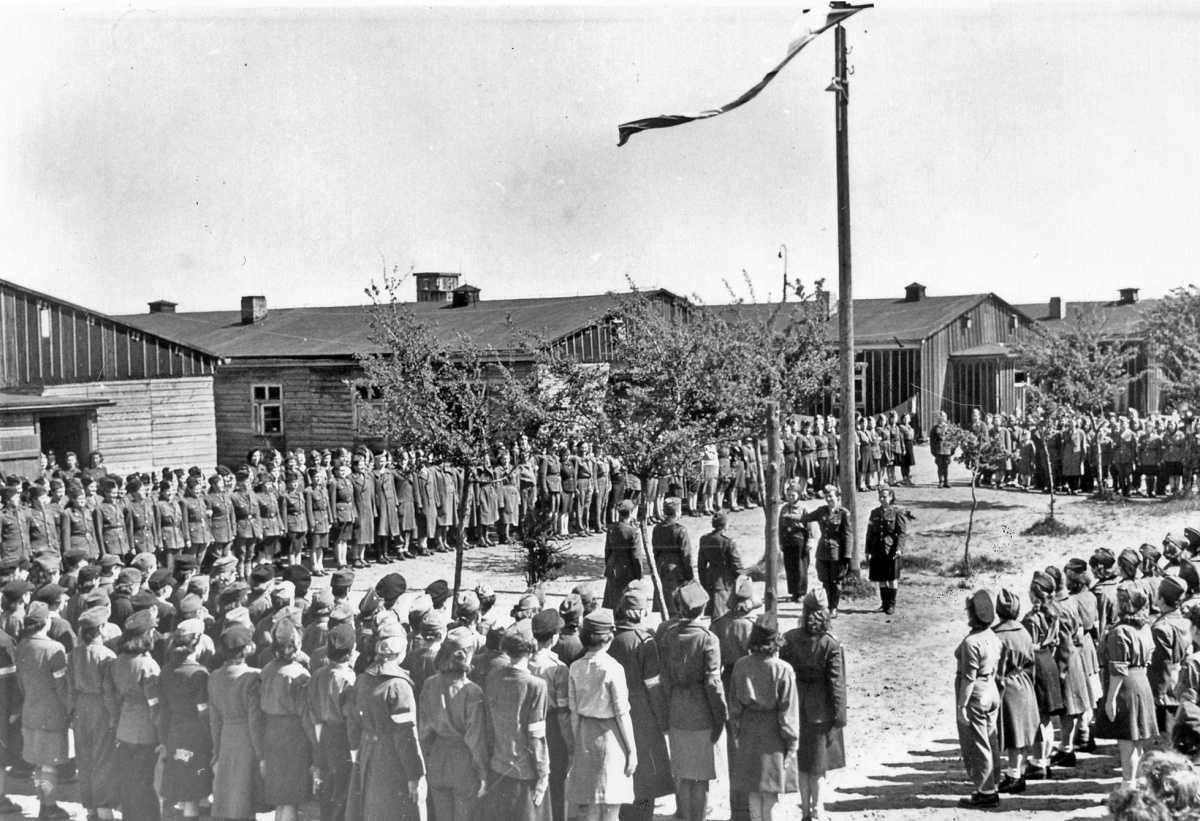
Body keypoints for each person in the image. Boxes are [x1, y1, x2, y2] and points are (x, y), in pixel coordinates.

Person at [659, 581, 726, 821]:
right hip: (701, 713)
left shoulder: (667, 636)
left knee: (683, 774)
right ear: (702, 608)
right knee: (701, 777)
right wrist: (720, 716)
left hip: (677, 709)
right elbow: (713, 684)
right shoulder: (709, 639)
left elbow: (664, 680)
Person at [607, 582, 672, 821]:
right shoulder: (644, 641)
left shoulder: (612, 638)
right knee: (646, 775)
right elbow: (653, 685)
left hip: (615, 711)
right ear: (640, 612)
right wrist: (663, 719)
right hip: (642, 713)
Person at [781, 589, 847, 821]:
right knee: (818, 765)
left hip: (795, 708)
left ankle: (805, 809)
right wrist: (839, 716)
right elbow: (836, 684)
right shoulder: (831, 644)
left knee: (802, 763)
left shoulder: (789, 639)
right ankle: (817, 808)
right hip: (821, 711)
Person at [565, 607, 637, 821]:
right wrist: (632, 750)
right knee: (611, 807)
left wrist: (576, 743)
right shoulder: (613, 668)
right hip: (611, 737)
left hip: (585, 736)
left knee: (589, 807)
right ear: (609, 638)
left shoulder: (575, 667)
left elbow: (573, 710)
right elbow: (622, 713)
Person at [729, 612, 799, 821]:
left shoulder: (741, 665)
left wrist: (738, 732)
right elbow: (788, 712)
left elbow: (734, 706)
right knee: (771, 794)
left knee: (753, 791)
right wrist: (792, 743)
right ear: (776, 640)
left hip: (749, 731)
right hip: (774, 735)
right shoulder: (784, 669)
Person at [419, 625, 489, 821]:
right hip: (464, 763)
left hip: (437, 759)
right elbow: (475, 739)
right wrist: (483, 773)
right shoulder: (472, 691)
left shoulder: (430, 684)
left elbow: (423, 733)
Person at [482, 620, 550, 821]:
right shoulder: (536, 685)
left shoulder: (493, 676)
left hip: (497, 767)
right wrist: (543, 775)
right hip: (525, 775)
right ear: (532, 648)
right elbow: (536, 736)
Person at [15, 601, 72, 819]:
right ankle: (49, 807)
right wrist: (70, 709)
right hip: (52, 714)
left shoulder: (22, 645)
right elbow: (62, 687)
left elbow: (20, 682)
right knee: (50, 765)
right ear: (46, 622)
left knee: (39, 764)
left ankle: (44, 804)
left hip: (30, 711)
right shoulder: (54, 649)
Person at [105, 607, 162, 821]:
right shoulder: (148, 665)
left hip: (124, 728)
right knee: (145, 784)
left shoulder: (116, 662)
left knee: (128, 782)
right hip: (146, 731)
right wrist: (162, 733)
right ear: (146, 635)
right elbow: (155, 705)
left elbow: (111, 697)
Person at [1104, 584, 1160, 788]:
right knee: (1137, 742)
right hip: (1142, 682)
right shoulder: (1145, 627)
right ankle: (1133, 784)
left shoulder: (1120, 631)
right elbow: (1149, 658)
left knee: (1126, 742)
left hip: (1125, 686)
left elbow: (1118, 669)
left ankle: (1127, 787)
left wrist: (1110, 700)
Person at [208, 623, 266, 821]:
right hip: (247, 741)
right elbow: (255, 720)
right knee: (246, 797)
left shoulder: (214, 677)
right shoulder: (253, 676)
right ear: (245, 650)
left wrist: (216, 752)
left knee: (228, 798)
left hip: (226, 739)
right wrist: (261, 754)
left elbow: (214, 720)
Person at [157, 618, 214, 821]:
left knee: (182, 780)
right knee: (192, 790)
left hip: (174, 731)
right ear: (197, 643)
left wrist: (164, 738)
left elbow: (163, 710)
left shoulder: (165, 671)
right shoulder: (199, 673)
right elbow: (203, 712)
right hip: (196, 734)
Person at [259, 619, 314, 821]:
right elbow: (306, 716)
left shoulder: (266, 670)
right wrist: (316, 745)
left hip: (271, 734)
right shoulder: (300, 675)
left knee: (281, 798)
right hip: (293, 736)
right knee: (291, 798)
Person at [953, 589, 1002, 809]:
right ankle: (993, 783)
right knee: (991, 739)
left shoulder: (971, 642)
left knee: (977, 743)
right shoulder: (993, 636)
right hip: (991, 689)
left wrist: (961, 705)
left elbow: (968, 679)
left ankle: (986, 790)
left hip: (976, 693)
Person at [69, 606, 118, 820]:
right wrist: (114, 717)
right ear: (102, 628)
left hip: (80, 707)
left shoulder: (73, 654)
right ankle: (104, 809)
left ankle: (90, 807)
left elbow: (69, 686)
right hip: (101, 708)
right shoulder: (107, 655)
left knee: (84, 759)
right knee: (102, 759)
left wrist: (71, 713)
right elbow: (109, 691)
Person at [992, 589, 1039, 795]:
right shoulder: (1024, 631)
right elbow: (1032, 662)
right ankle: (1017, 771)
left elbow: (996, 668)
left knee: (1011, 734)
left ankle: (1013, 776)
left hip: (1007, 685)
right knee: (1021, 733)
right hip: (1025, 682)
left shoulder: (997, 635)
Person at [801, 486, 852, 618]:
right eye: (827, 496)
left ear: (838, 498)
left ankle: (834, 607)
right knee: (825, 580)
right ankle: (827, 605)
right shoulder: (821, 511)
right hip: (822, 552)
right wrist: (794, 512)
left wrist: (847, 555)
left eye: (831, 496)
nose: (828, 499)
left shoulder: (843, 513)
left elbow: (848, 535)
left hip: (837, 553)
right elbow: (806, 518)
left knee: (835, 582)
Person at [864, 485, 907, 615]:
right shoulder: (874, 513)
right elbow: (870, 533)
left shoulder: (897, 512)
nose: (882, 499)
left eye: (885, 497)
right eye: (880, 497)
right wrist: (868, 550)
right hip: (878, 549)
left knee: (892, 578)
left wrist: (899, 548)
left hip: (892, 550)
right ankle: (884, 603)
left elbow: (901, 533)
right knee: (881, 578)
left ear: (891, 497)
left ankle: (891, 604)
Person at [697, 511, 744, 618]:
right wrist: (743, 579)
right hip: (725, 581)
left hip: (710, 579)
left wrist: (703, 582)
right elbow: (736, 565)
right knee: (724, 614)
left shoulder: (704, 539)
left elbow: (701, 565)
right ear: (725, 525)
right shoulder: (728, 542)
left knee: (714, 614)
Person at [650, 498, 693, 616]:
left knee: (666, 602)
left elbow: (655, 550)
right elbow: (686, 554)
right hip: (676, 570)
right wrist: (690, 576)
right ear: (677, 512)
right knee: (677, 606)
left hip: (662, 567)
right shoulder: (680, 530)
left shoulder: (657, 528)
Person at [602, 501, 645, 610]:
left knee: (612, 602)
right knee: (626, 603)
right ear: (631, 513)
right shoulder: (633, 532)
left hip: (613, 568)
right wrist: (639, 574)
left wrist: (609, 565)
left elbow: (607, 551)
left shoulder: (611, 528)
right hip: (627, 570)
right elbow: (636, 556)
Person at [778, 483, 810, 604]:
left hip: (800, 539)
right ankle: (793, 592)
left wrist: (809, 541)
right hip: (787, 540)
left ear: (798, 495)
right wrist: (780, 541)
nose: (790, 497)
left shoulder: (803, 508)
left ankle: (801, 592)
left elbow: (809, 526)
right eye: (788, 494)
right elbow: (780, 526)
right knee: (790, 567)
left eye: (793, 495)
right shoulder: (784, 508)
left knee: (800, 567)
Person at [929, 411, 954, 488]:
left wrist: (952, 450)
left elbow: (953, 439)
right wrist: (933, 450)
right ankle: (941, 481)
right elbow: (932, 440)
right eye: (940, 416)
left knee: (946, 466)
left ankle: (946, 481)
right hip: (939, 450)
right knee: (940, 466)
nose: (941, 418)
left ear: (945, 418)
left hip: (947, 450)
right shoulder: (934, 428)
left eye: (943, 416)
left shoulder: (949, 427)